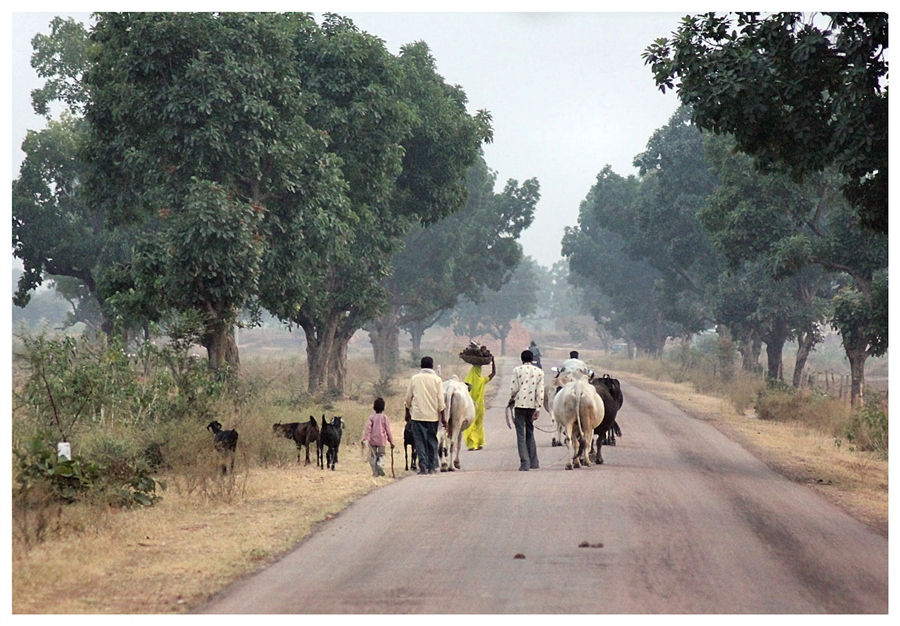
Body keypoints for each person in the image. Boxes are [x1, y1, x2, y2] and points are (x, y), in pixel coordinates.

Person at [405, 356, 446, 475]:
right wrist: (443, 417)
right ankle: (432, 466)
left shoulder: (415, 379)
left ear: (421, 365)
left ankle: (423, 466)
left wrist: (407, 413)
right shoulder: (437, 380)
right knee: (432, 441)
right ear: (432, 366)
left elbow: (408, 398)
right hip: (433, 416)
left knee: (419, 442)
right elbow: (441, 400)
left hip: (417, 416)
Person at [507, 349, 545, 471]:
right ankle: (534, 462)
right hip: (532, 407)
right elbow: (540, 392)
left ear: (521, 359)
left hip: (519, 406)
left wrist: (511, 399)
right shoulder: (539, 372)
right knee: (530, 432)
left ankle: (525, 463)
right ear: (532, 359)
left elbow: (514, 388)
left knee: (520, 434)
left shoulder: (517, 370)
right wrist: (538, 408)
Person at [463, 356, 496, 451]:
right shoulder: (482, 380)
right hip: (480, 406)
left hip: (470, 406)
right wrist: (493, 362)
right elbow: (493, 373)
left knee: (470, 424)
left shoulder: (467, 382)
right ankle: (478, 443)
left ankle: (471, 444)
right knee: (479, 424)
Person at [362, 397, 394, 477]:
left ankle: (375, 472)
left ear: (374, 407)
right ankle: (380, 464)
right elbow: (388, 431)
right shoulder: (384, 418)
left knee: (372, 457)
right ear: (383, 407)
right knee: (382, 455)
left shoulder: (371, 417)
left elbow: (368, 429)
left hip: (372, 441)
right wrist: (391, 442)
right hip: (381, 441)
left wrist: (365, 439)